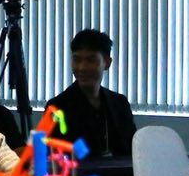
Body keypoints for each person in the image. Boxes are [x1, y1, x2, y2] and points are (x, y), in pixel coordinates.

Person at [47, 29, 136, 160]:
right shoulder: (57, 107)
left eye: (91, 60)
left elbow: (132, 152)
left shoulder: (120, 104)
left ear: (107, 62)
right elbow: (53, 159)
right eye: (77, 59)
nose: (82, 67)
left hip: (119, 172)